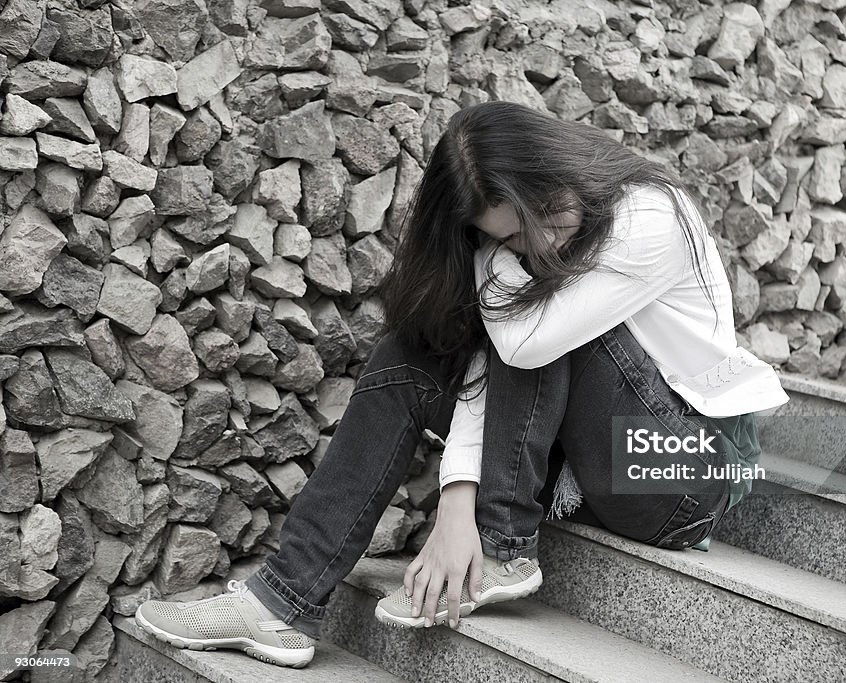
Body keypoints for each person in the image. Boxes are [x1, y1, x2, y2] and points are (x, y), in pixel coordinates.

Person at [134, 100, 789, 668]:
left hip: (678, 473)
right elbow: (506, 350)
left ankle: (504, 545)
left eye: (542, 215)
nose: (538, 238)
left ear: (555, 167)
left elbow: (526, 343)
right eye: (508, 235)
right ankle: (281, 598)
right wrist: (454, 506)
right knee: (412, 349)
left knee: (538, 314)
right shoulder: (524, 245)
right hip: (590, 461)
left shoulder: (652, 217)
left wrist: (467, 506)